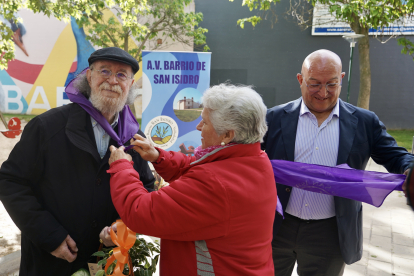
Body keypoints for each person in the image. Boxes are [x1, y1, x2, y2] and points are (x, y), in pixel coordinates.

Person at [0, 47, 155, 275]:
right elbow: (11, 181)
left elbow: (146, 190)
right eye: (105, 71)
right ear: (89, 77)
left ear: (131, 86)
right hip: (50, 263)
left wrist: (121, 227)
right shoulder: (47, 127)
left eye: (122, 74)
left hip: (107, 265)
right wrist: (50, 236)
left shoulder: (134, 138)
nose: (112, 80)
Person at [262, 49, 413, 276]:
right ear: (300, 79)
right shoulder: (273, 118)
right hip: (276, 227)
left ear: (341, 79)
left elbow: (394, 155)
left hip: (330, 233)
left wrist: (410, 169)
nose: (323, 93)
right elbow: (244, 155)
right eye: (314, 84)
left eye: (331, 84)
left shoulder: (364, 122)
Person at [107, 83, 277, 276]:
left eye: (204, 123)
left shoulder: (215, 184)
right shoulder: (255, 160)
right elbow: (198, 166)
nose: (198, 127)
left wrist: (121, 167)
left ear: (228, 135)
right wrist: (159, 157)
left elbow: (141, 212)